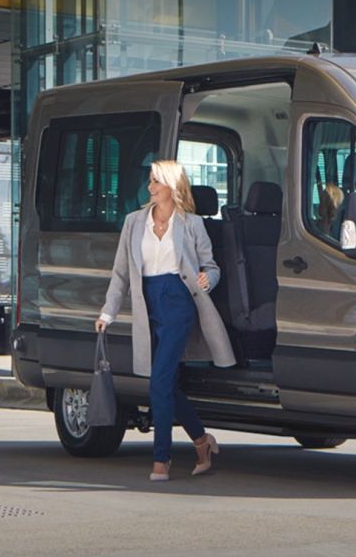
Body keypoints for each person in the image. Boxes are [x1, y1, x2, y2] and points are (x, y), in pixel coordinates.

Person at [95, 159, 236, 481]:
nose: (151, 187)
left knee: (158, 383)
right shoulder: (134, 222)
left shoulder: (192, 224)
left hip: (178, 304)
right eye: (150, 181)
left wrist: (208, 279)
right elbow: (121, 274)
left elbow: (211, 266)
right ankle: (201, 441)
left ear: (172, 186)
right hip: (146, 305)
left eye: (157, 181)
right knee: (166, 385)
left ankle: (162, 459)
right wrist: (107, 312)